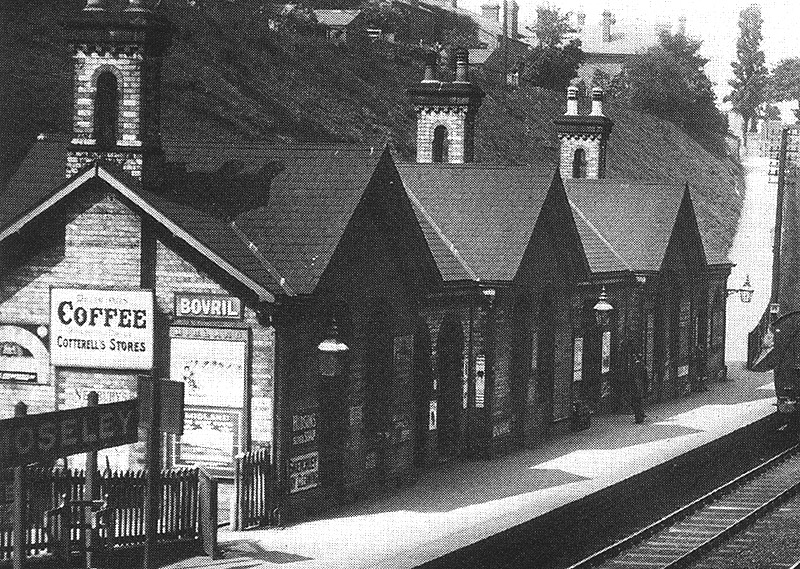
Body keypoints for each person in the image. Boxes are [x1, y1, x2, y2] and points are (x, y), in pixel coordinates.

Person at [630, 351, 646, 423]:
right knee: (639, 401)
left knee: (635, 402)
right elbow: (646, 378)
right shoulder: (643, 366)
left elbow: (630, 377)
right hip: (641, 386)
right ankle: (641, 416)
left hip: (635, 387)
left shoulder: (634, 367)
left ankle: (638, 418)